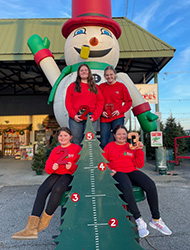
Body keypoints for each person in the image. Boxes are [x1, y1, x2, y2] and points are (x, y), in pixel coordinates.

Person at [12, 127, 81, 240]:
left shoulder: (76, 148)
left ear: (71, 137)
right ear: (57, 137)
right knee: (42, 190)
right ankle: (31, 227)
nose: (63, 138)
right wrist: (52, 167)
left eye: (65, 135)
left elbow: (80, 166)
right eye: (60, 136)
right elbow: (48, 167)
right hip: (56, 173)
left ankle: (44, 222)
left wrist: (72, 167)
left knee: (57, 189)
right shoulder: (55, 150)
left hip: (69, 175)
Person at [103, 125, 172, 238]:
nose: (121, 136)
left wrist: (139, 149)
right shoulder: (109, 146)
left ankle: (156, 219)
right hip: (117, 172)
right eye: (119, 134)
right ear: (114, 135)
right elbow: (102, 161)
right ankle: (138, 219)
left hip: (131, 170)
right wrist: (108, 170)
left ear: (127, 135)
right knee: (126, 186)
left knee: (150, 184)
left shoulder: (131, 146)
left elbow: (139, 164)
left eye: (124, 134)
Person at [65, 63, 104, 145]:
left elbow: (100, 102)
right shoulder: (72, 86)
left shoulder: (95, 87)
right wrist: (73, 115)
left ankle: (89, 158)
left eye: (85, 70)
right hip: (76, 116)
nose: (84, 72)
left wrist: (95, 116)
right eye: (81, 70)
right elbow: (68, 102)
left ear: (89, 72)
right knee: (76, 141)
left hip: (91, 117)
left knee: (89, 142)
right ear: (78, 73)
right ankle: (77, 158)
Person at [99, 66, 132, 148]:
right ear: (104, 76)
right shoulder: (101, 87)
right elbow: (97, 101)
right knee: (103, 140)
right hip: (105, 118)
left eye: (111, 74)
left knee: (118, 139)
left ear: (115, 74)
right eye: (107, 75)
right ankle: (104, 159)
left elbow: (129, 102)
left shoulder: (121, 86)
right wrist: (101, 112)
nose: (109, 77)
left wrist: (120, 111)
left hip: (117, 117)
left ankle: (118, 158)